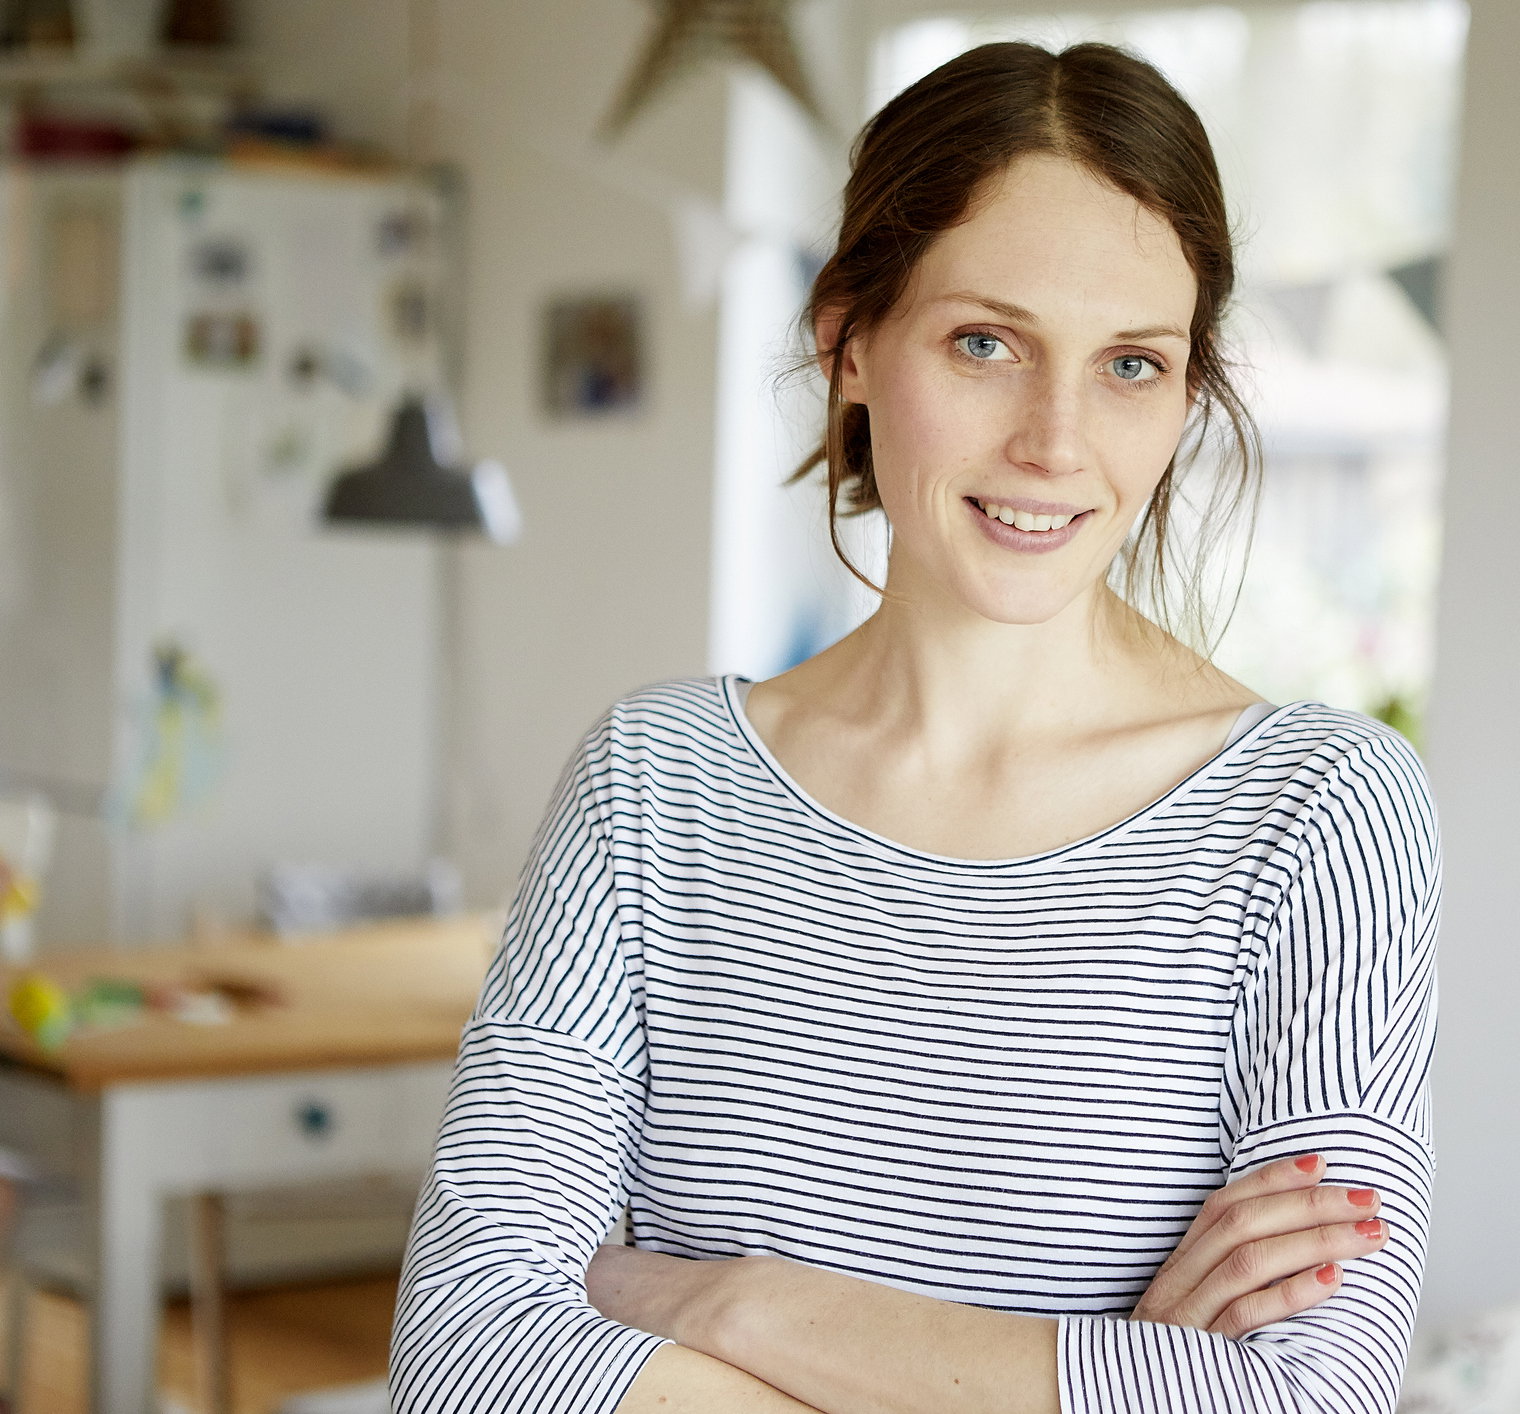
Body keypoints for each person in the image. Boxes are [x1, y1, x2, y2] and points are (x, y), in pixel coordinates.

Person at [389, 40, 1437, 1414]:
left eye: (1130, 363)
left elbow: (1306, 1398)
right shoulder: (651, 785)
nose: (1055, 442)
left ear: (1188, 394)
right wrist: (1104, 1375)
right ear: (851, 343)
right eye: (985, 343)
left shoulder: (1319, 813)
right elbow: (467, 1359)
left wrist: (732, 1300)